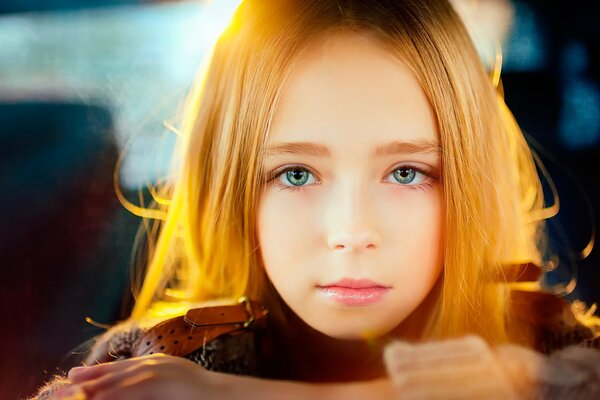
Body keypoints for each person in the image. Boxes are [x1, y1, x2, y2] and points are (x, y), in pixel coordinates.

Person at [32, 0, 600, 399]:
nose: (351, 231)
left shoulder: (558, 358)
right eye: (297, 174)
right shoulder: (151, 364)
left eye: (406, 172)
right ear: (233, 190)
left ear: (467, 180)